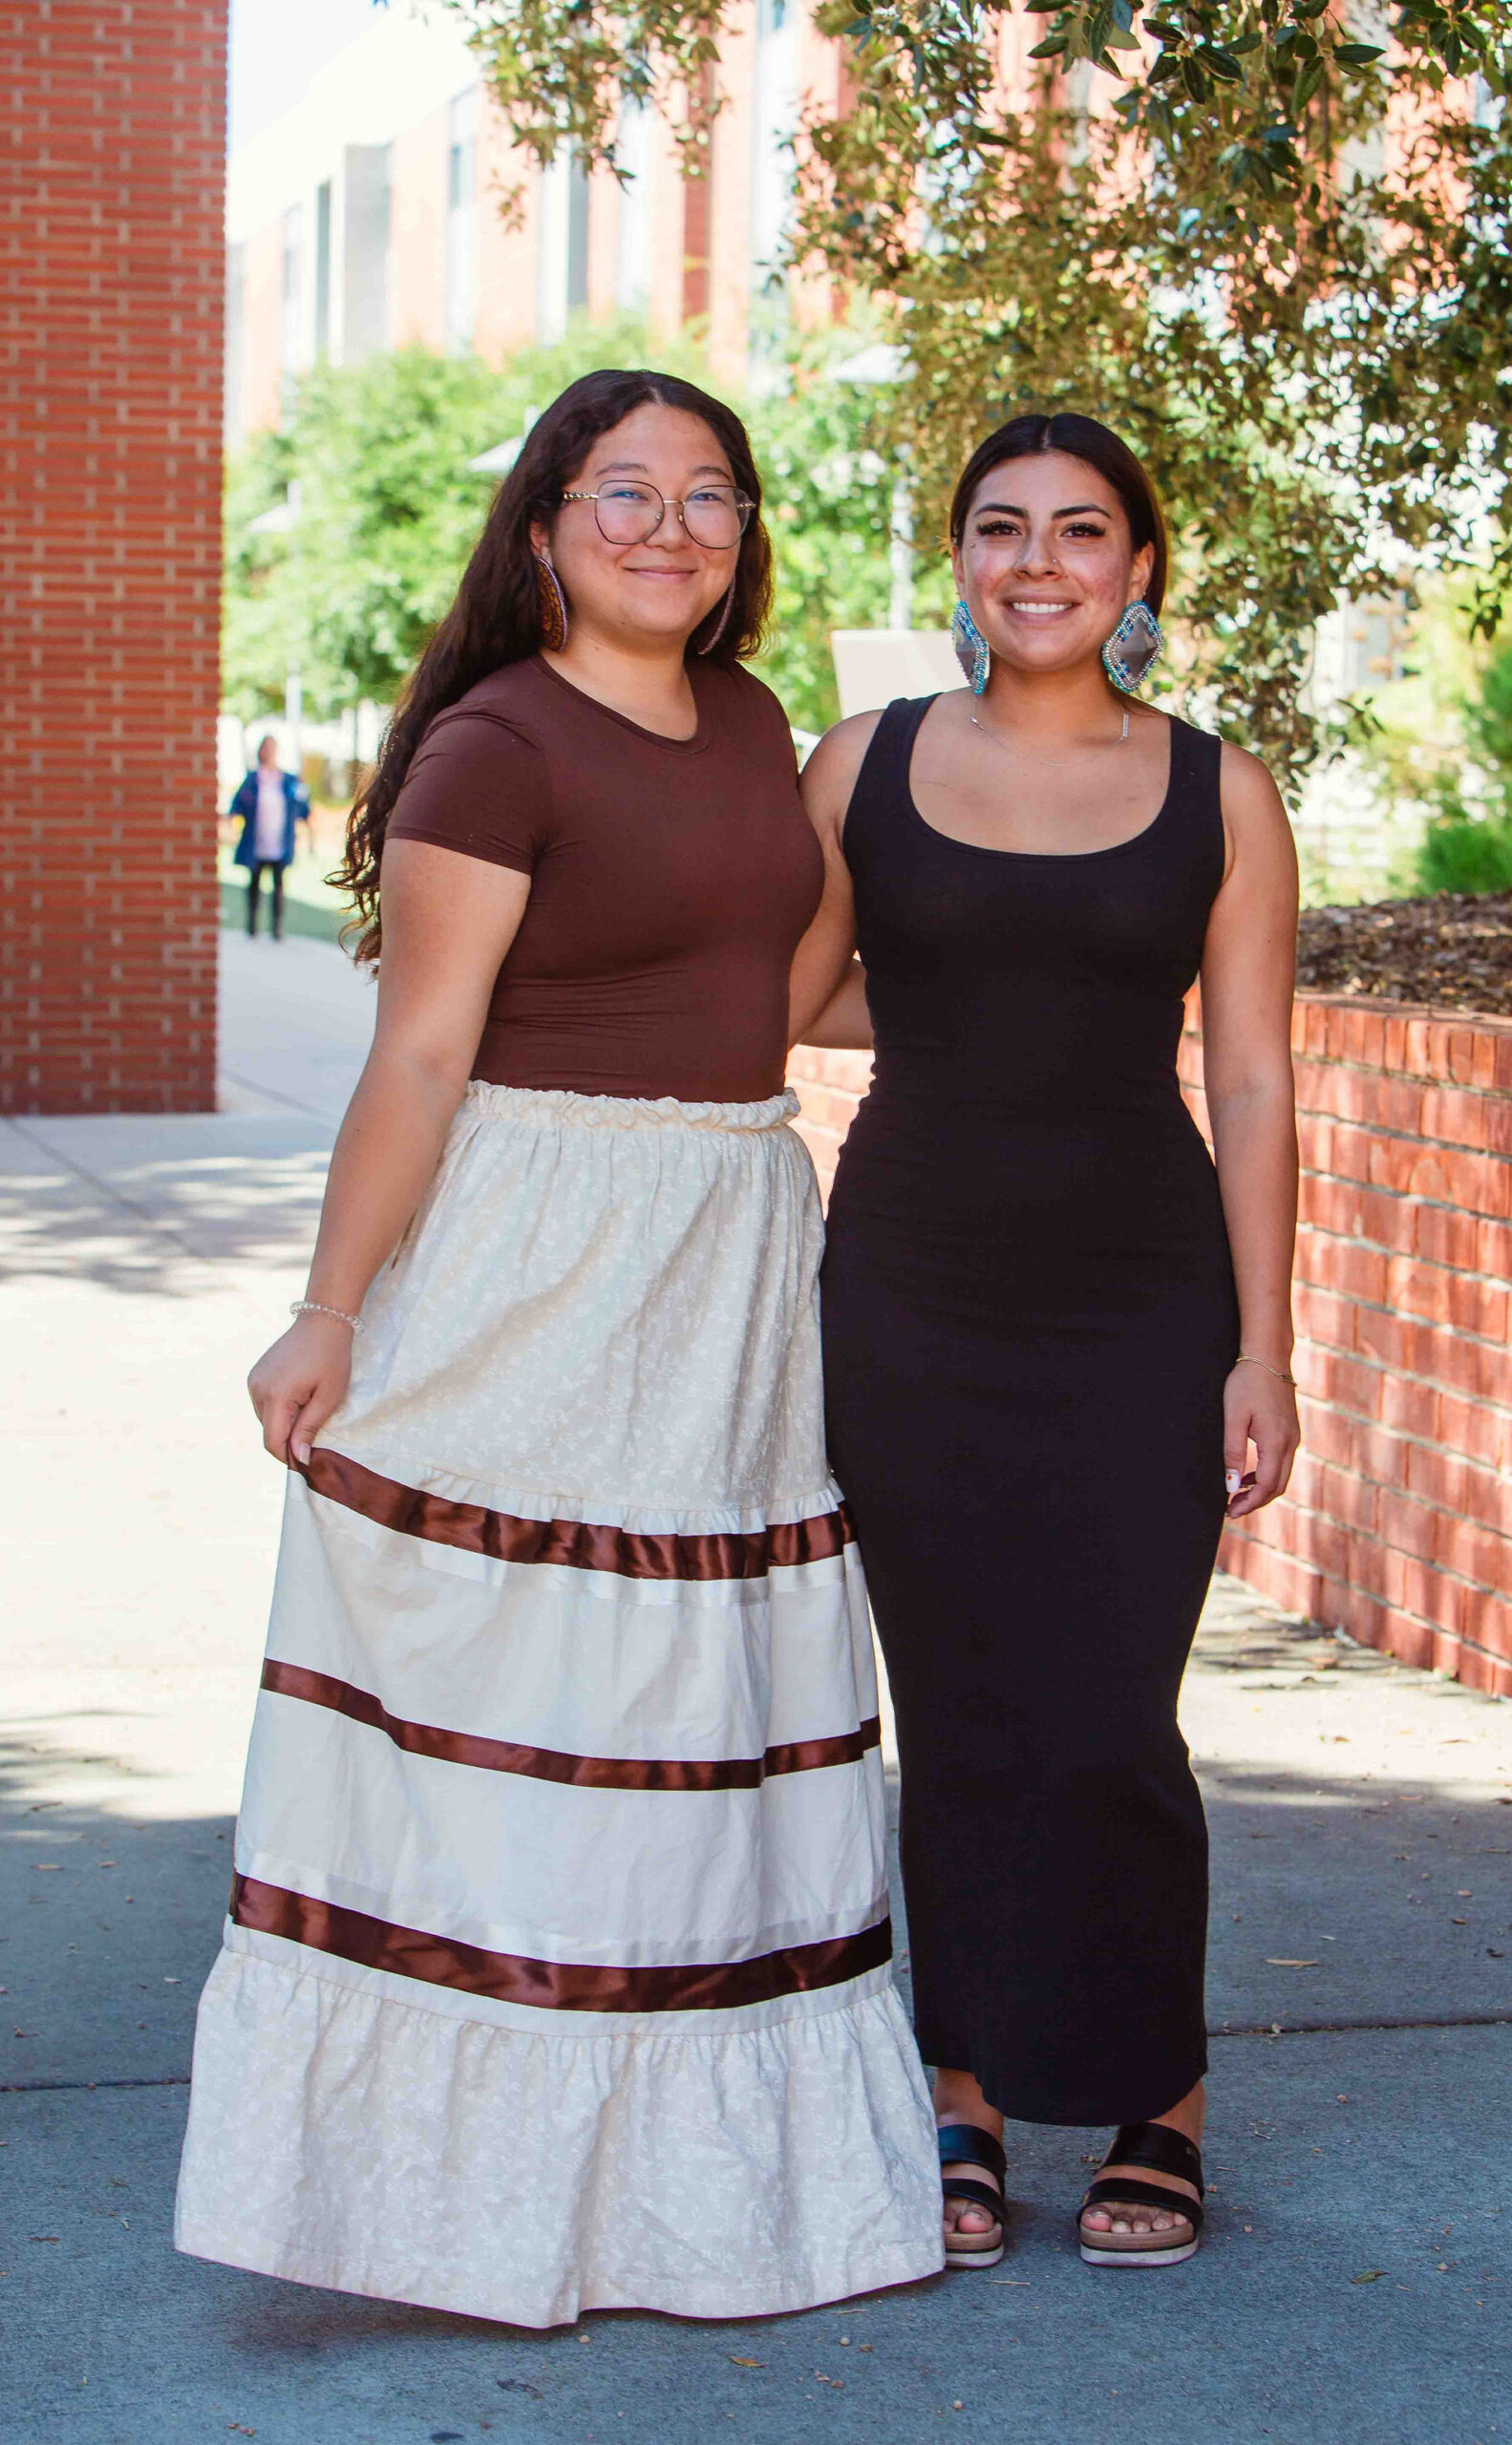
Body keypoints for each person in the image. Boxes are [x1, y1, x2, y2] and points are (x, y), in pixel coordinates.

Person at [175, 370, 943, 2328]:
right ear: (541, 526)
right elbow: (422, 1048)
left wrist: (1050, 943)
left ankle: (685, 2206)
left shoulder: (757, 722)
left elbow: (766, 997)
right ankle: (468, 2204)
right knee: (533, 1696)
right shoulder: (494, 745)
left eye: (709, 494)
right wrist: (332, 1302)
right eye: (624, 493)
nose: (669, 527)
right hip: (540, 1246)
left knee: (689, 1716)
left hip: (726, 1252)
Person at [790, 413, 1300, 2271]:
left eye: (1079, 530)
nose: (1037, 559)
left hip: (1138, 1299)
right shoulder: (864, 760)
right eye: (999, 526)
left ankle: (1152, 2093)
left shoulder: (1216, 788)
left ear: (1138, 567)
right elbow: (774, 986)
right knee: (964, 1710)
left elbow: (1250, 1077)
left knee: (1108, 1708)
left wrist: (1265, 1345)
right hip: (911, 1290)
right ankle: (967, 2088)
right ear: (957, 555)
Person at [228, 734, 309, 939]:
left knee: (278, 885)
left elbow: (302, 808)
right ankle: (252, 925)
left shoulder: (289, 780)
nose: (269, 751)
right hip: (256, 841)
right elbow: (237, 804)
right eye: (266, 747)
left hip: (280, 841)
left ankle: (277, 927)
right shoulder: (252, 779)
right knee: (254, 883)